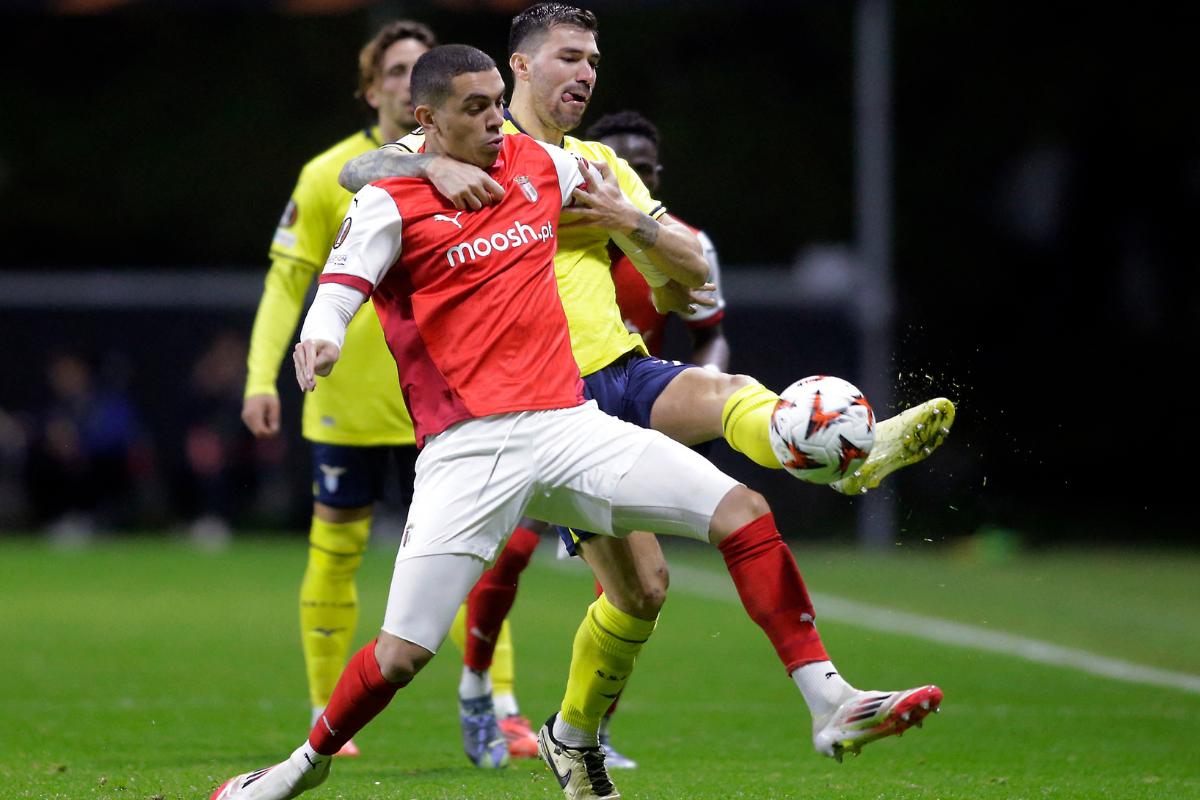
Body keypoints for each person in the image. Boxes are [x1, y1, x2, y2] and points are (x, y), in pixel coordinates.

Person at [210, 44, 943, 800]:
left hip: (569, 425)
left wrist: (649, 234)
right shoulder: (390, 200)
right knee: (400, 656)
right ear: (426, 120)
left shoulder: (545, 164)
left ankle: (832, 705)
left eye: (498, 101)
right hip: (469, 449)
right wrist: (321, 336)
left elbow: (672, 244)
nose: (495, 119)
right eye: (474, 108)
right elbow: (338, 282)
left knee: (740, 510)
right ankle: (303, 766)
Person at [239, 20, 535, 765]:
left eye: (419, 69)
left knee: (479, 557)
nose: (410, 83)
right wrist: (258, 376)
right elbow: (286, 281)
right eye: (397, 71)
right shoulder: (330, 172)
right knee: (334, 557)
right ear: (373, 89)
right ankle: (327, 715)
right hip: (349, 403)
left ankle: (495, 705)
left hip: (448, 404)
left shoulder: (485, 160)